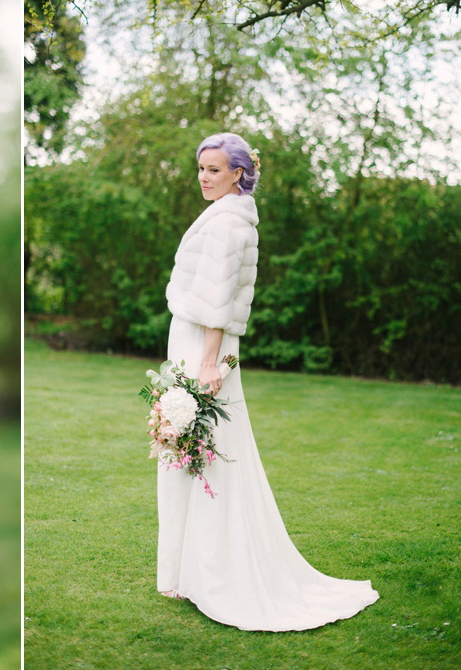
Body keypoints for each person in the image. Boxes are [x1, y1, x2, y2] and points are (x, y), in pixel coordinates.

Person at [157, 132, 378, 630]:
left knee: (203, 446)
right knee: (190, 447)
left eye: (214, 170)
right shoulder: (228, 217)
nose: (204, 178)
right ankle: (185, 569)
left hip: (203, 344)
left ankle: (210, 573)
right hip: (195, 337)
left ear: (238, 173)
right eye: (200, 169)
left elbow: (217, 300)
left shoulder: (229, 225)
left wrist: (209, 362)